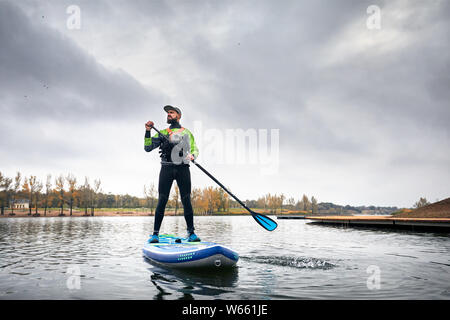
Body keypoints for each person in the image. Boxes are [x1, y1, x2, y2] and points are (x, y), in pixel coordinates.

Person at [144, 105, 200, 243]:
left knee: (186, 199)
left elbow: (195, 149)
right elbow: (148, 147)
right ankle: (155, 234)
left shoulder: (186, 132)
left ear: (178, 116)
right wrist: (147, 131)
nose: (169, 114)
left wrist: (192, 155)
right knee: (162, 200)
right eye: (168, 113)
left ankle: (191, 233)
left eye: (172, 112)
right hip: (166, 168)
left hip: (183, 168)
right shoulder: (162, 132)